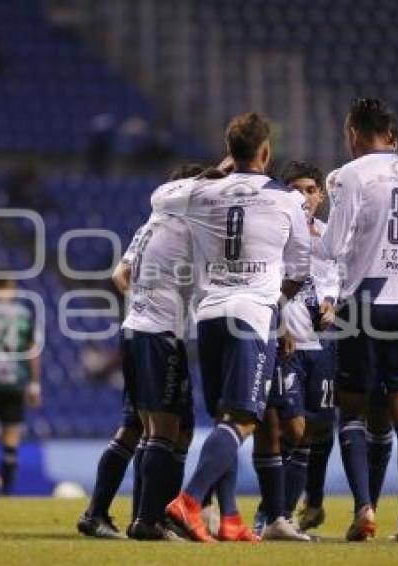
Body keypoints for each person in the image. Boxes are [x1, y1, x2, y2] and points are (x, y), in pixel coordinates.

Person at [164, 112, 312, 543]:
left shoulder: (203, 192)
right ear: (266, 152)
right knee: (244, 419)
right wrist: (274, 298)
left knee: (224, 419)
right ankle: (189, 501)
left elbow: (159, 198)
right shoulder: (286, 200)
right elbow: (300, 268)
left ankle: (229, 517)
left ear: (231, 151)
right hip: (252, 315)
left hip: (209, 315)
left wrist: (215, 172)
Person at [317, 98, 398, 542]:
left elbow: (331, 244)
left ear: (353, 134)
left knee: (352, 408)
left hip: (363, 298)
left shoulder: (351, 174)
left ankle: (364, 508)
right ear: (391, 135)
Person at [77, 163, 204, 540]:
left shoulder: (150, 225)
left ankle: (103, 514)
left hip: (137, 329)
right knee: (164, 428)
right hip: (159, 335)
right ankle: (149, 520)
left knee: (142, 427)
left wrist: (145, 302)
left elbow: (120, 276)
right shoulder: (190, 227)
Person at [251, 162, 338, 537]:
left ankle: (282, 516)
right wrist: (280, 322)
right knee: (291, 429)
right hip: (286, 342)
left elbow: (334, 273)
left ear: (320, 195)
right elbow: (271, 282)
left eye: (309, 189)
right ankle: (268, 513)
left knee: (313, 432)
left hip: (319, 346)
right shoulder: (275, 233)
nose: (303, 197)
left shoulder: (328, 236)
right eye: (295, 189)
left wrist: (332, 301)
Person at [0, 277, 41, 495]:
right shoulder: (23, 313)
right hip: (15, 380)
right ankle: (7, 489)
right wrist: (34, 384)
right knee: (11, 433)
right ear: (12, 287)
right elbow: (32, 350)